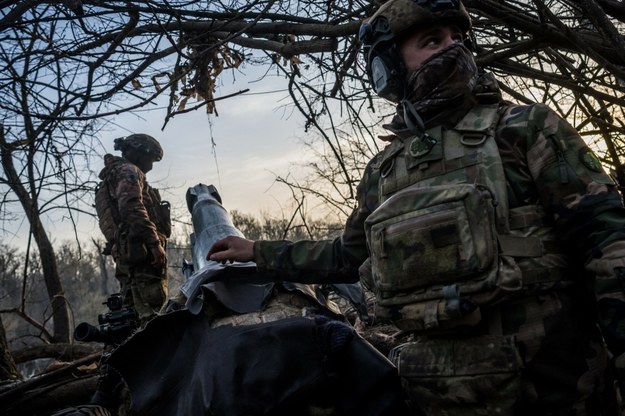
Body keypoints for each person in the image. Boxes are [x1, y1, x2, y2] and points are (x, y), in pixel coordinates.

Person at [207, 0, 625, 414]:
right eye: (431, 40)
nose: (453, 48)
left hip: (559, 385)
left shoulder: (525, 127)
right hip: (437, 390)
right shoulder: (384, 171)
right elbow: (346, 256)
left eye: (458, 38)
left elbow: (606, 243)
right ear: (388, 68)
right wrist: (258, 253)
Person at [95, 133, 171, 325]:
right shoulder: (129, 171)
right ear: (137, 152)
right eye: (150, 159)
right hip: (142, 255)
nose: (151, 166)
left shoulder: (110, 178)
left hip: (128, 256)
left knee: (131, 316)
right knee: (150, 315)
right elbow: (131, 207)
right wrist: (154, 243)